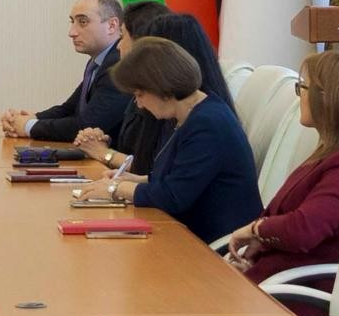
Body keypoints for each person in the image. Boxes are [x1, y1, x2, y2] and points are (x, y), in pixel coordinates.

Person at [74, 37, 264, 242]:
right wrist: (134, 180)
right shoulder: (193, 113)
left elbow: (173, 197)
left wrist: (115, 189)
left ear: (161, 88)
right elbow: (177, 177)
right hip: (188, 233)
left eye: (139, 94)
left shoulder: (207, 124)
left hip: (217, 245)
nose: (139, 104)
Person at [221, 52, 339, 282]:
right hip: (268, 278)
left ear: (325, 96)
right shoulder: (335, 150)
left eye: (303, 88)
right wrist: (259, 248)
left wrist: (256, 230)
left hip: (291, 291)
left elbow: (304, 229)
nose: (300, 96)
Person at [80, 2, 233, 171]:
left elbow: (153, 170)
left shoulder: (200, 119)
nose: (118, 46)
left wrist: (105, 154)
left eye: (122, 36)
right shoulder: (179, 104)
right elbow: (157, 172)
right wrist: (106, 143)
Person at [0, 0, 131, 143]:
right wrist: (28, 119)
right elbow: (69, 109)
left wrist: (28, 126)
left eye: (83, 22)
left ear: (111, 25)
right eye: (72, 22)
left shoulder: (119, 64)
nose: (71, 32)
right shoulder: (98, 62)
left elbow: (86, 125)